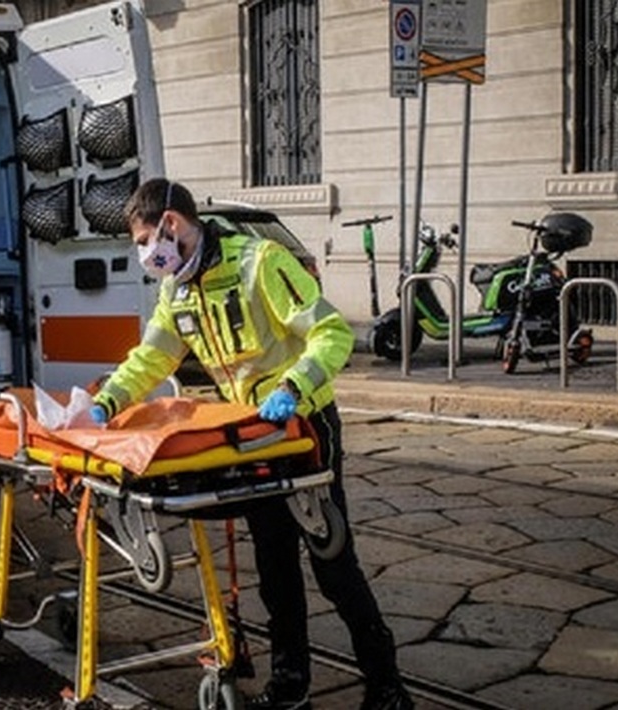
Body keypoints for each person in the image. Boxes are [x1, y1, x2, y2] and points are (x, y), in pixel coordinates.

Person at [90, 179, 412, 710]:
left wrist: (294, 387)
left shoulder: (259, 263)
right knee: (274, 566)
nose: (146, 254)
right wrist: (109, 399)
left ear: (171, 223)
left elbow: (331, 333)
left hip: (304, 429)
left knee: (333, 565)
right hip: (252, 439)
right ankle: (289, 686)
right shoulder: (178, 289)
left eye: (146, 240)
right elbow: (153, 357)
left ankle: (387, 686)